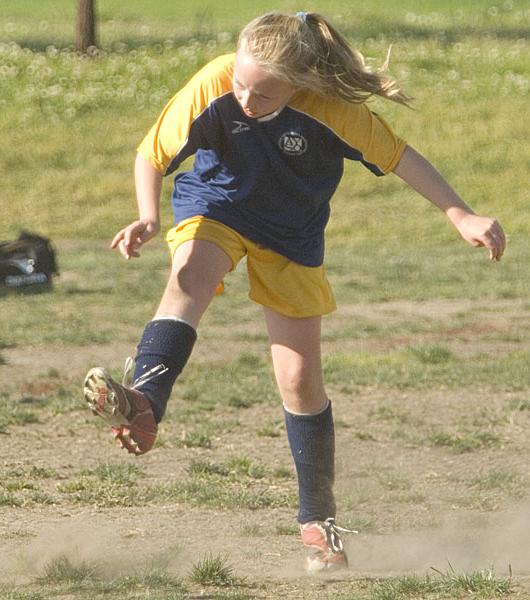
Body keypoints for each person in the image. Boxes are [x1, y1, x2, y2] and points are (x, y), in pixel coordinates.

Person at [83, 11, 506, 572]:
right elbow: (151, 154)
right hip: (215, 206)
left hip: (292, 234)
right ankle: (144, 402)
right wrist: (148, 215)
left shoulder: (332, 109)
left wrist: (461, 214)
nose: (244, 98)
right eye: (240, 82)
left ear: (299, 83)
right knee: (190, 278)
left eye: (262, 93)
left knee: (300, 379)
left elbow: (400, 157)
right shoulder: (216, 81)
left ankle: (318, 521)